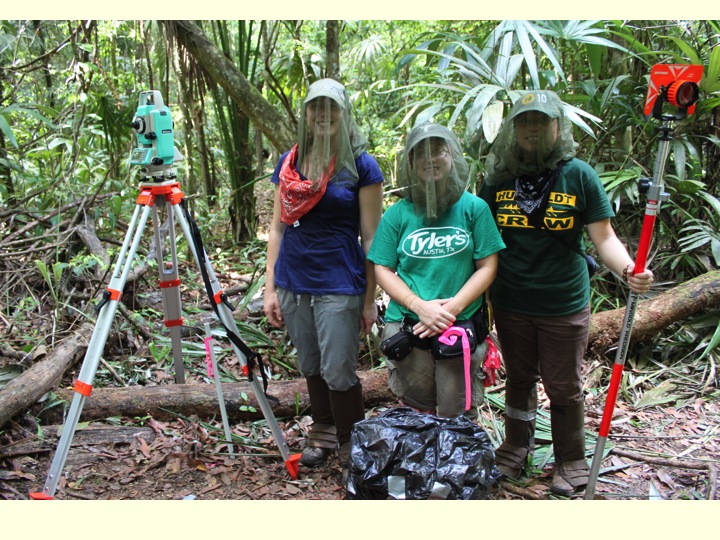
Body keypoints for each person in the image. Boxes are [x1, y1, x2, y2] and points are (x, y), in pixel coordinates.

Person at [479, 90, 654, 496]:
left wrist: (629, 269)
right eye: (525, 122)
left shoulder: (578, 174)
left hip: (562, 301)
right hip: (510, 300)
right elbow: (482, 238)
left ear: (558, 127)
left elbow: (603, 236)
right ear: (513, 129)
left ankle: (571, 456)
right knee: (519, 378)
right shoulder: (499, 177)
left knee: (563, 385)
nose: (533, 129)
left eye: (542, 121)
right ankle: (515, 446)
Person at [263, 79, 384, 469]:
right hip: (293, 280)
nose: (323, 114)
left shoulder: (360, 166)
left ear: (344, 113)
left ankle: (352, 437)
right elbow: (278, 228)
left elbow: (371, 238)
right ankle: (324, 429)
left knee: (338, 367)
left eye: (332, 107)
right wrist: (269, 289)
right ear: (306, 114)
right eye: (316, 107)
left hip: (339, 281)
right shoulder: (289, 163)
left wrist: (369, 299)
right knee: (310, 363)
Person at [368, 123, 505, 418]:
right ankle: (424, 460)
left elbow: (488, 265)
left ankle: (456, 462)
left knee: (458, 412)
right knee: (418, 407)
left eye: (438, 150)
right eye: (420, 153)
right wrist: (420, 307)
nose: (430, 159)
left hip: (460, 325)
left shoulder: (474, 208)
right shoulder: (398, 213)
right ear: (410, 164)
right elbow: (383, 268)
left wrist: (451, 309)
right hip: (409, 325)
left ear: (452, 155)